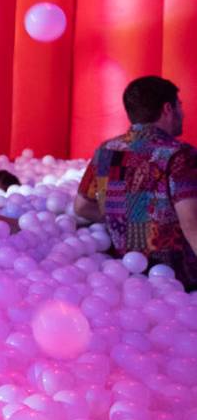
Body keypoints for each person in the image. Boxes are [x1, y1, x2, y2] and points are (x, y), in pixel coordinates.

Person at [74, 75, 197, 289]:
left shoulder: (106, 151)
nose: (183, 113)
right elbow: (191, 223)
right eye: (180, 106)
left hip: (125, 276)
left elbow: (81, 206)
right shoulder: (178, 155)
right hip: (177, 278)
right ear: (168, 109)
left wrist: (126, 219)